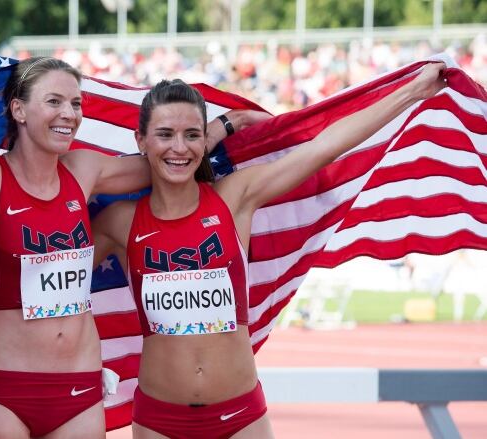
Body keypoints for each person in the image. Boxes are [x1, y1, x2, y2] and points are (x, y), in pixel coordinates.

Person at [0, 55, 266, 438]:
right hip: (4, 383)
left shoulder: (85, 170)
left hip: (79, 385)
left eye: (75, 103)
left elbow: (170, 158)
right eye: (54, 101)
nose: (69, 113)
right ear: (19, 110)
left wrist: (220, 128)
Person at [92, 64, 445, 438]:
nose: (180, 147)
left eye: (192, 135)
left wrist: (413, 92)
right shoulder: (119, 221)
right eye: (165, 134)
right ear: (140, 140)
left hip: (240, 415)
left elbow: (324, 148)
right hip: (160, 421)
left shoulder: (234, 197)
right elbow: (53, 269)